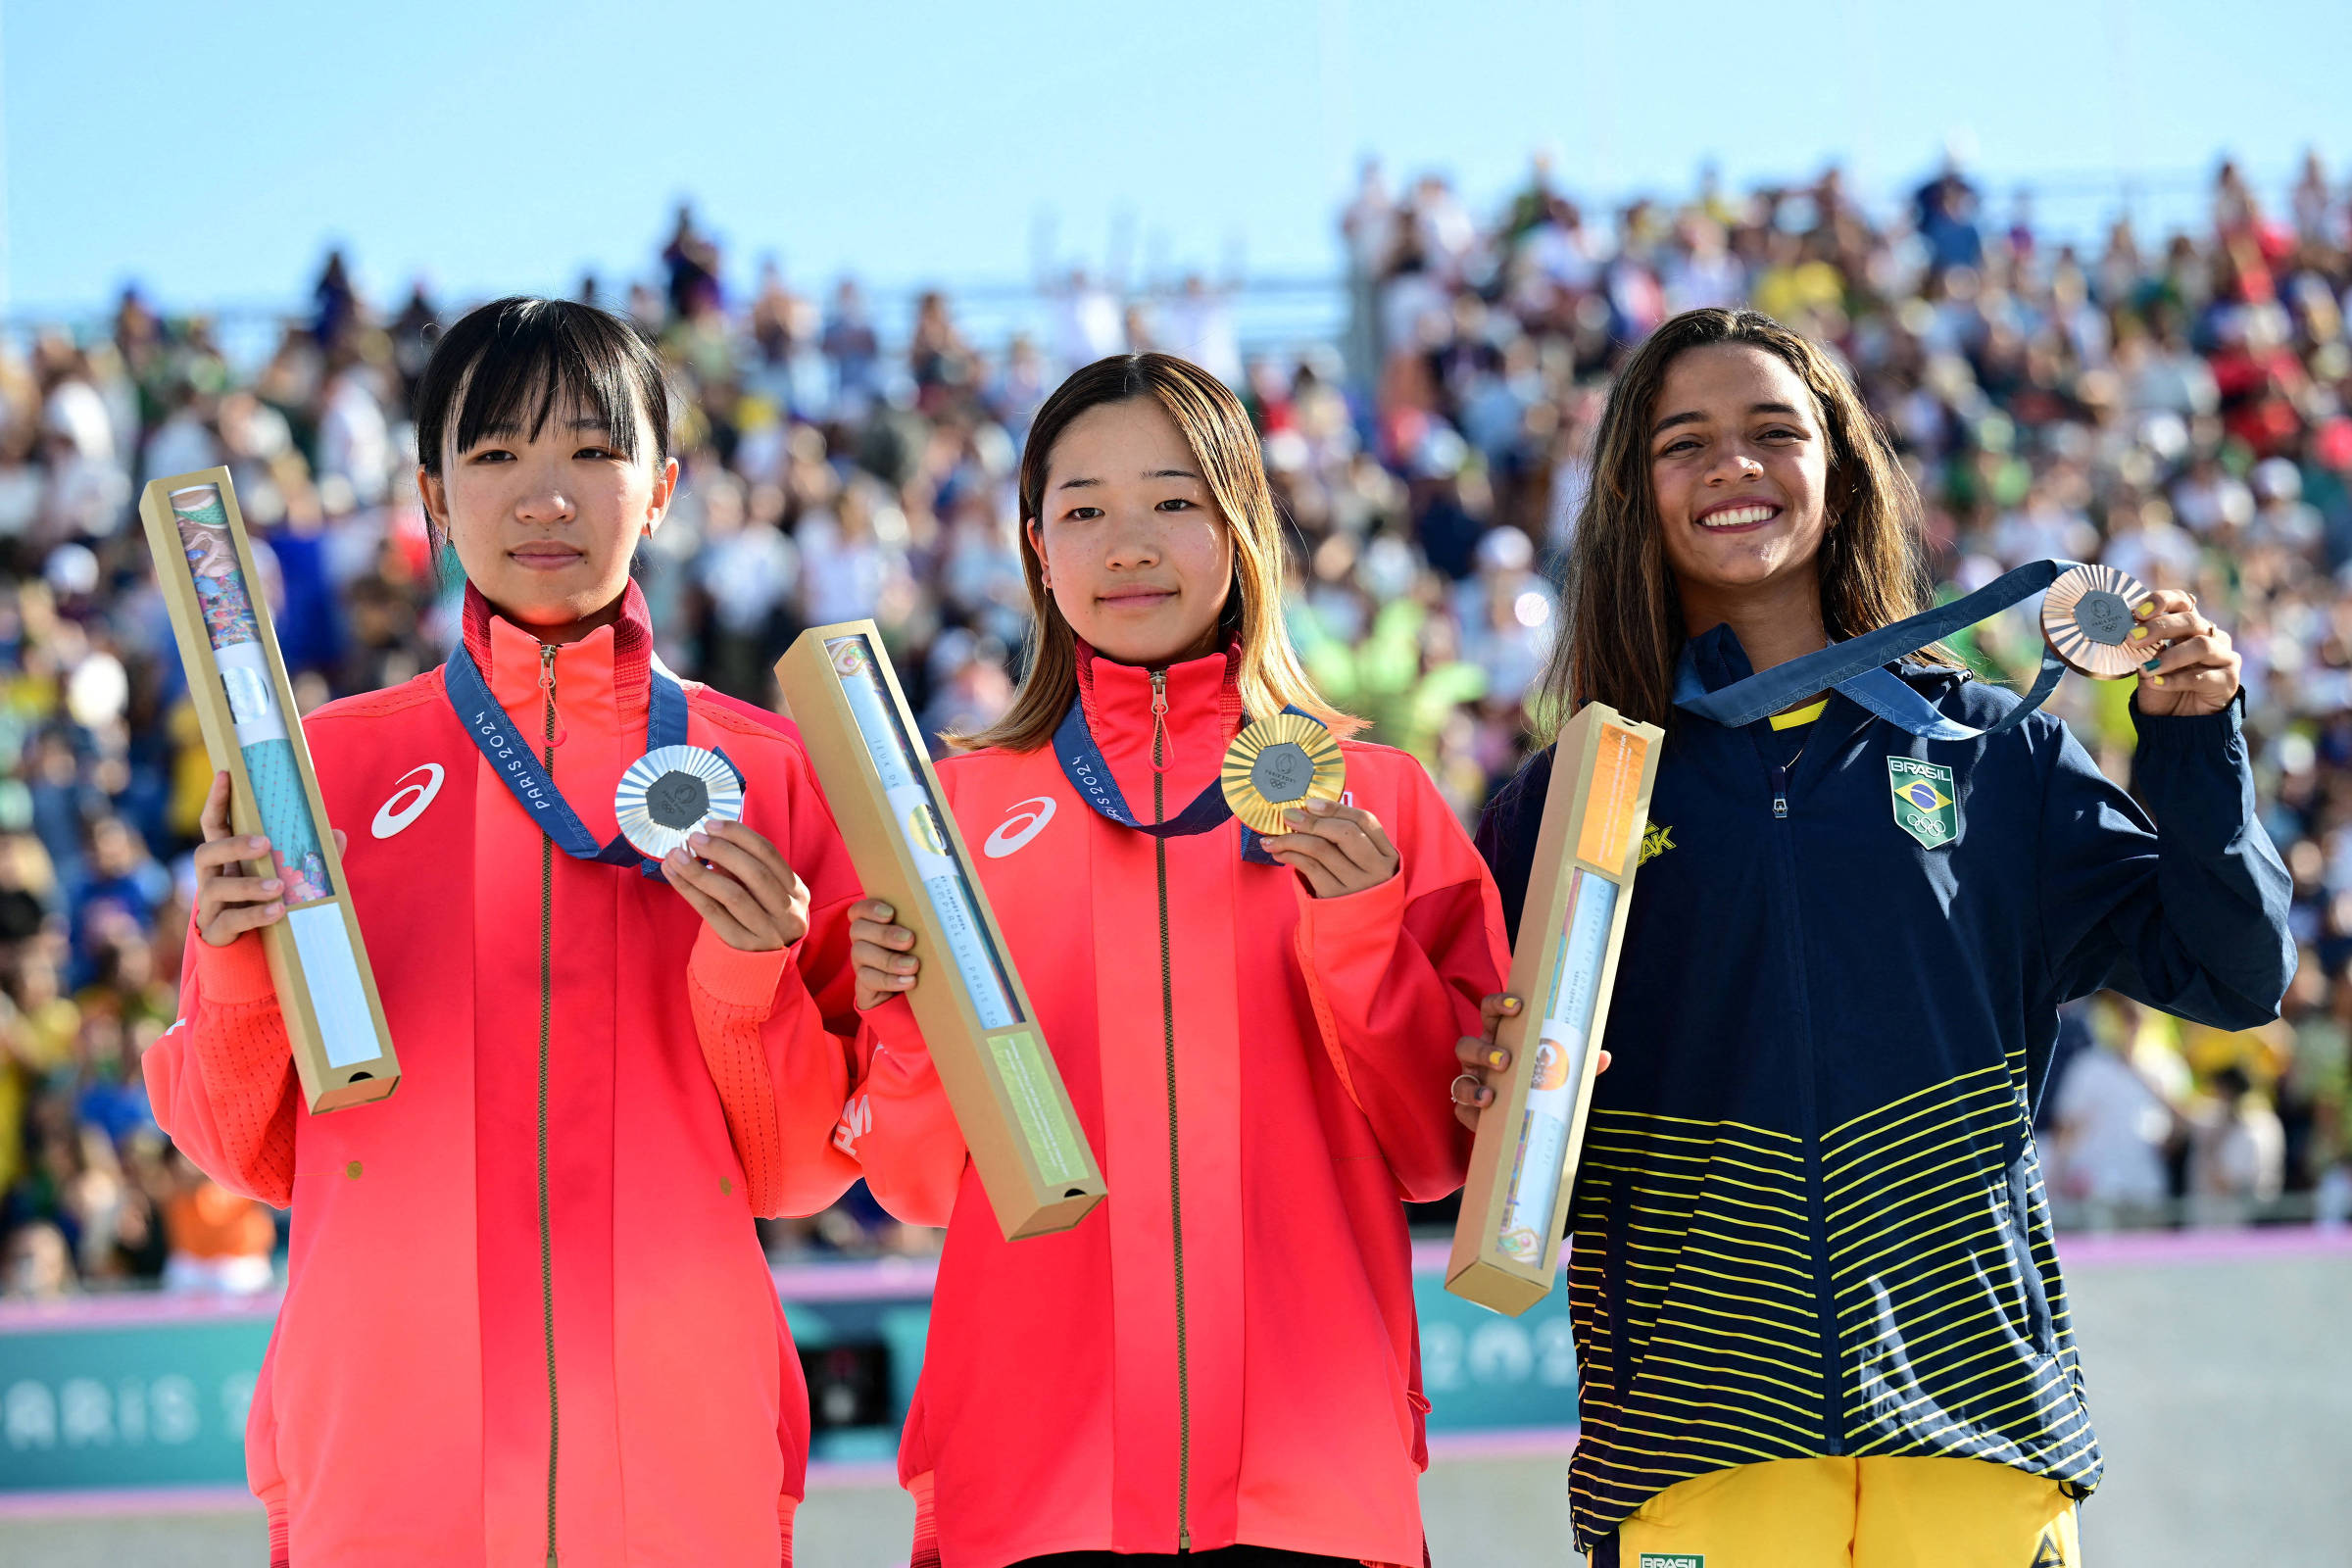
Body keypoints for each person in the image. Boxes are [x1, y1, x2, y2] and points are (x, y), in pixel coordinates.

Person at [1455, 308, 2293, 1567]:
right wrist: (1479, 1087)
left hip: (1979, 1434)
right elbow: (1491, 1118)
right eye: (1686, 442)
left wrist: (2194, 743)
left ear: (1840, 469)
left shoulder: (1993, 752)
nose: (1734, 465)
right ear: (1635, 493)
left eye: (1772, 432)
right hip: (1697, 1448)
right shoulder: (1570, 802)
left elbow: (2236, 971)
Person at [143, 298, 866, 1566]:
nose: (546, 496)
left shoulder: (770, 771)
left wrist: (751, 980)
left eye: (593, 452)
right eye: (495, 456)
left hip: (675, 1463)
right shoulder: (322, 775)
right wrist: (241, 966)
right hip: (385, 1462)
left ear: (661, 490)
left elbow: (803, 1169)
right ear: (432, 493)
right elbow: (241, 1149)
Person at [836, 353, 1508, 1567]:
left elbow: (1440, 1151)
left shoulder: (1380, 802)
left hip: (1310, 1489)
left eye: (1172, 499)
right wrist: (899, 1025)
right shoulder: (952, 814)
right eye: (1083, 509)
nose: (1127, 544)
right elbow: (920, 1183)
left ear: (1243, 526)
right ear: (1038, 549)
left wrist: (1359, 937)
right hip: (1033, 1489)